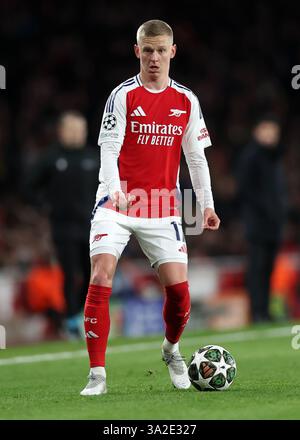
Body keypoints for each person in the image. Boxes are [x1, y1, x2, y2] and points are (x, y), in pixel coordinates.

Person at [80, 19, 220, 396]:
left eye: (161, 50)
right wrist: (113, 190)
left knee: (179, 294)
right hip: (118, 202)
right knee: (101, 274)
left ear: (172, 52)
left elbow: (196, 158)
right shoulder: (123, 95)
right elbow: (108, 148)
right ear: (137, 51)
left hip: (162, 207)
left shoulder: (186, 100)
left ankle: (171, 350)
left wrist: (206, 205)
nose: (154, 58)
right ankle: (97, 375)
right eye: (147, 50)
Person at [25, 111, 99, 338]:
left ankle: (86, 315)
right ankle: (70, 320)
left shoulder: (93, 157)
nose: (76, 133)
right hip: (63, 227)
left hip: (91, 226)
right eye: (72, 128)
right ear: (61, 131)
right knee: (68, 273)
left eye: (80, 128)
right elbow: (28, 187)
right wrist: (45, 205)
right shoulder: (50, 158)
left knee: (92, 273)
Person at [236, 115, 287, 323]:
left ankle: (265, 311)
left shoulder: (274, 157)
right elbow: (245, 190)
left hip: (273, 223)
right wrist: (265, 210)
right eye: (266, 130)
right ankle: (257, 312)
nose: (270, 135)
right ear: (256, 131)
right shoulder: (251, 157)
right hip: (257, 223)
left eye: (274, 131)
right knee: (257, 268)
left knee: (268, 269)